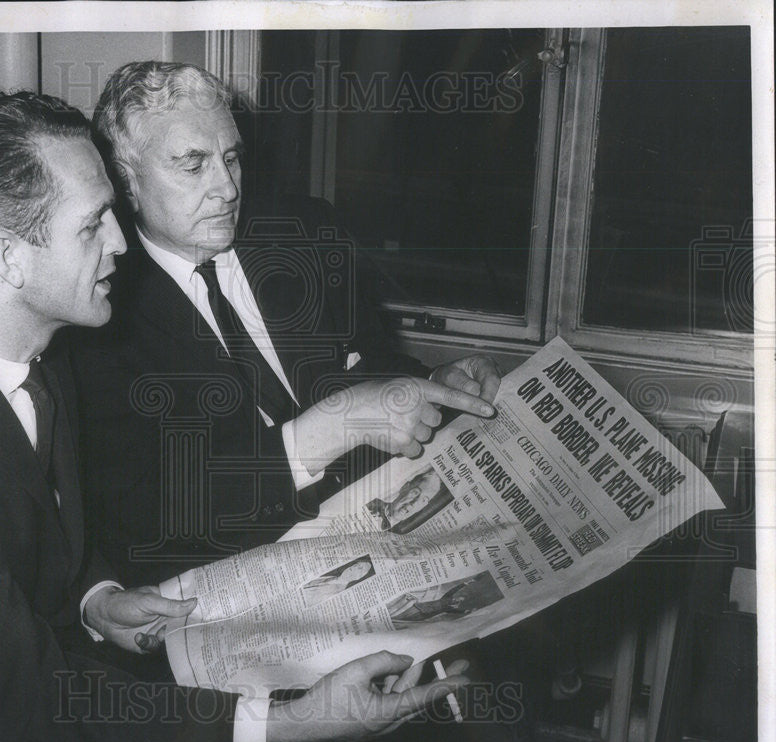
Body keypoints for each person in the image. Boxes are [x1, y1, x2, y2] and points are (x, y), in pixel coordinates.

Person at [0, 91, 468, 742]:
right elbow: (25, 698)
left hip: (41, 690)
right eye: (94, 224)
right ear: (8, 257)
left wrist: (96, 595)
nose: (123, 244)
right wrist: (286, 725)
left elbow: (37, 536)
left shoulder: (44, 346)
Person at [73, 61, 502, 585]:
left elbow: (371, 360)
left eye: (231, 158)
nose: (227, 188)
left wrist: (434, 382)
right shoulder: (97, 314)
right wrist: (332, 427)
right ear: (125, 180)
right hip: (238, 582)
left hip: (378, 538)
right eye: (193, 165)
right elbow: (147, 514)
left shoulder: (304, 233)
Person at [366, 467, 454, 534]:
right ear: (404, 488)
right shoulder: (370, 502)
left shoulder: (402, 533)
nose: (413, 503)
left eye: (423, 500)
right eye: (416, 493)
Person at [301, 557, 375, 607]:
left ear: (359, 577)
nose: (354, 567)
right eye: (356, 564)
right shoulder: (332, 576)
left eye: (360, 568)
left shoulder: (338, 592)